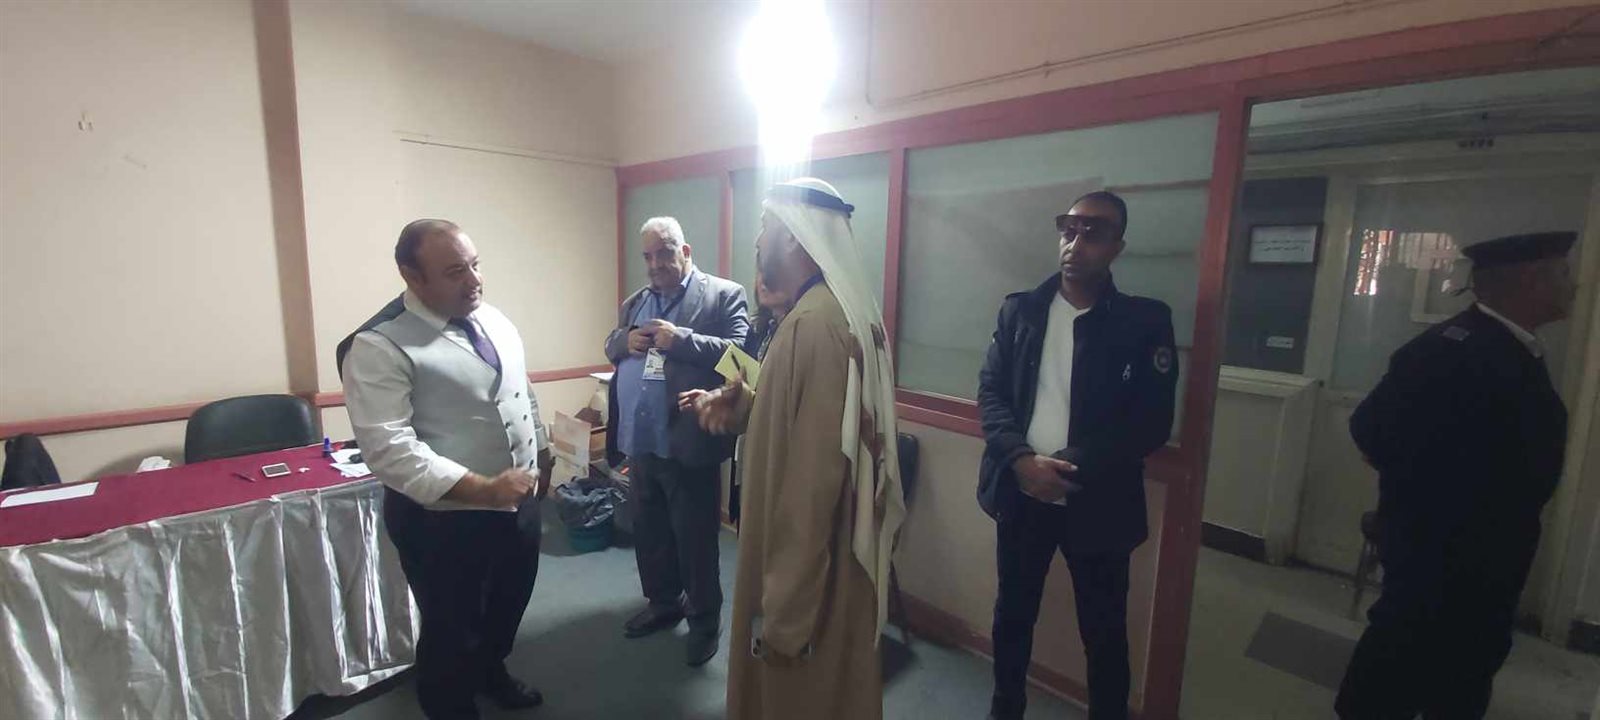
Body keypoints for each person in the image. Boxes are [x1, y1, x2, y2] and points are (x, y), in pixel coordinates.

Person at [683, 178, 905, 720]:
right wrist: (749, 406)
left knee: (799, 698)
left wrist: (784, 614)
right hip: (824, 567)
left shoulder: (813, 325)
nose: (758, 241)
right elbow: (811, 420)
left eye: (765, 227)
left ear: (793, 235)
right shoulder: (830, 312)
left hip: (809, 583)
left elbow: (812, 487)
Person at [1335, 231, 1577, 720]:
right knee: (1398, 669)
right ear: (1530, 281)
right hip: (1443, 559)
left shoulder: (1511, 346)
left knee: (1462, 669)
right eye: (1564, 275)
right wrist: (1435, 498)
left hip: (1479, 559)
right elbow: (1371, 429)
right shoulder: (1449, 351)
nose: (1574, 287)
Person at [338, 219, 552, 720]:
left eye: (475, 265)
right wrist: (483, 489)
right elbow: (389, 447)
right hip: (443, 521)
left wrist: (541, 451)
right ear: (412, 276)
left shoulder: (492, 319)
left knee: (507, 605)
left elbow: (520, 390)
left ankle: (491, 671)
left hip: (516, 504)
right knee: (451, 629)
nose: (474, 281)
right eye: (455, 272)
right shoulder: (378, 345)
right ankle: (451, 705)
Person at [976, 191, 1177, 720]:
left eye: (1094, 232)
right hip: (1023, 494)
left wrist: (1068, 466)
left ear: (1117, 246)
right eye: (1069, 229)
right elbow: (991, 395)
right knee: (1012, 616)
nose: (1075, 243)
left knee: (1104, 632)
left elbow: (1151, 422)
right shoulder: (1021, 311)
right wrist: (1022, 462)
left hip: (1099, 502)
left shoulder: (1143, 322)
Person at [604, 216, 748, 666]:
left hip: (688, 440)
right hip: (640, 438)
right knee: (649, 530)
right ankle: (663, 602)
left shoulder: (724, 295)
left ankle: (704, 618)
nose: (655, 264)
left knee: (695, 537)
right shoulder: (635, 302)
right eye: (647, 256)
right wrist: (624, 340)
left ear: (685, 251)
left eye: (664, 252)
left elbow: (743, 361)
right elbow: (610, 345)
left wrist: (680, 340)